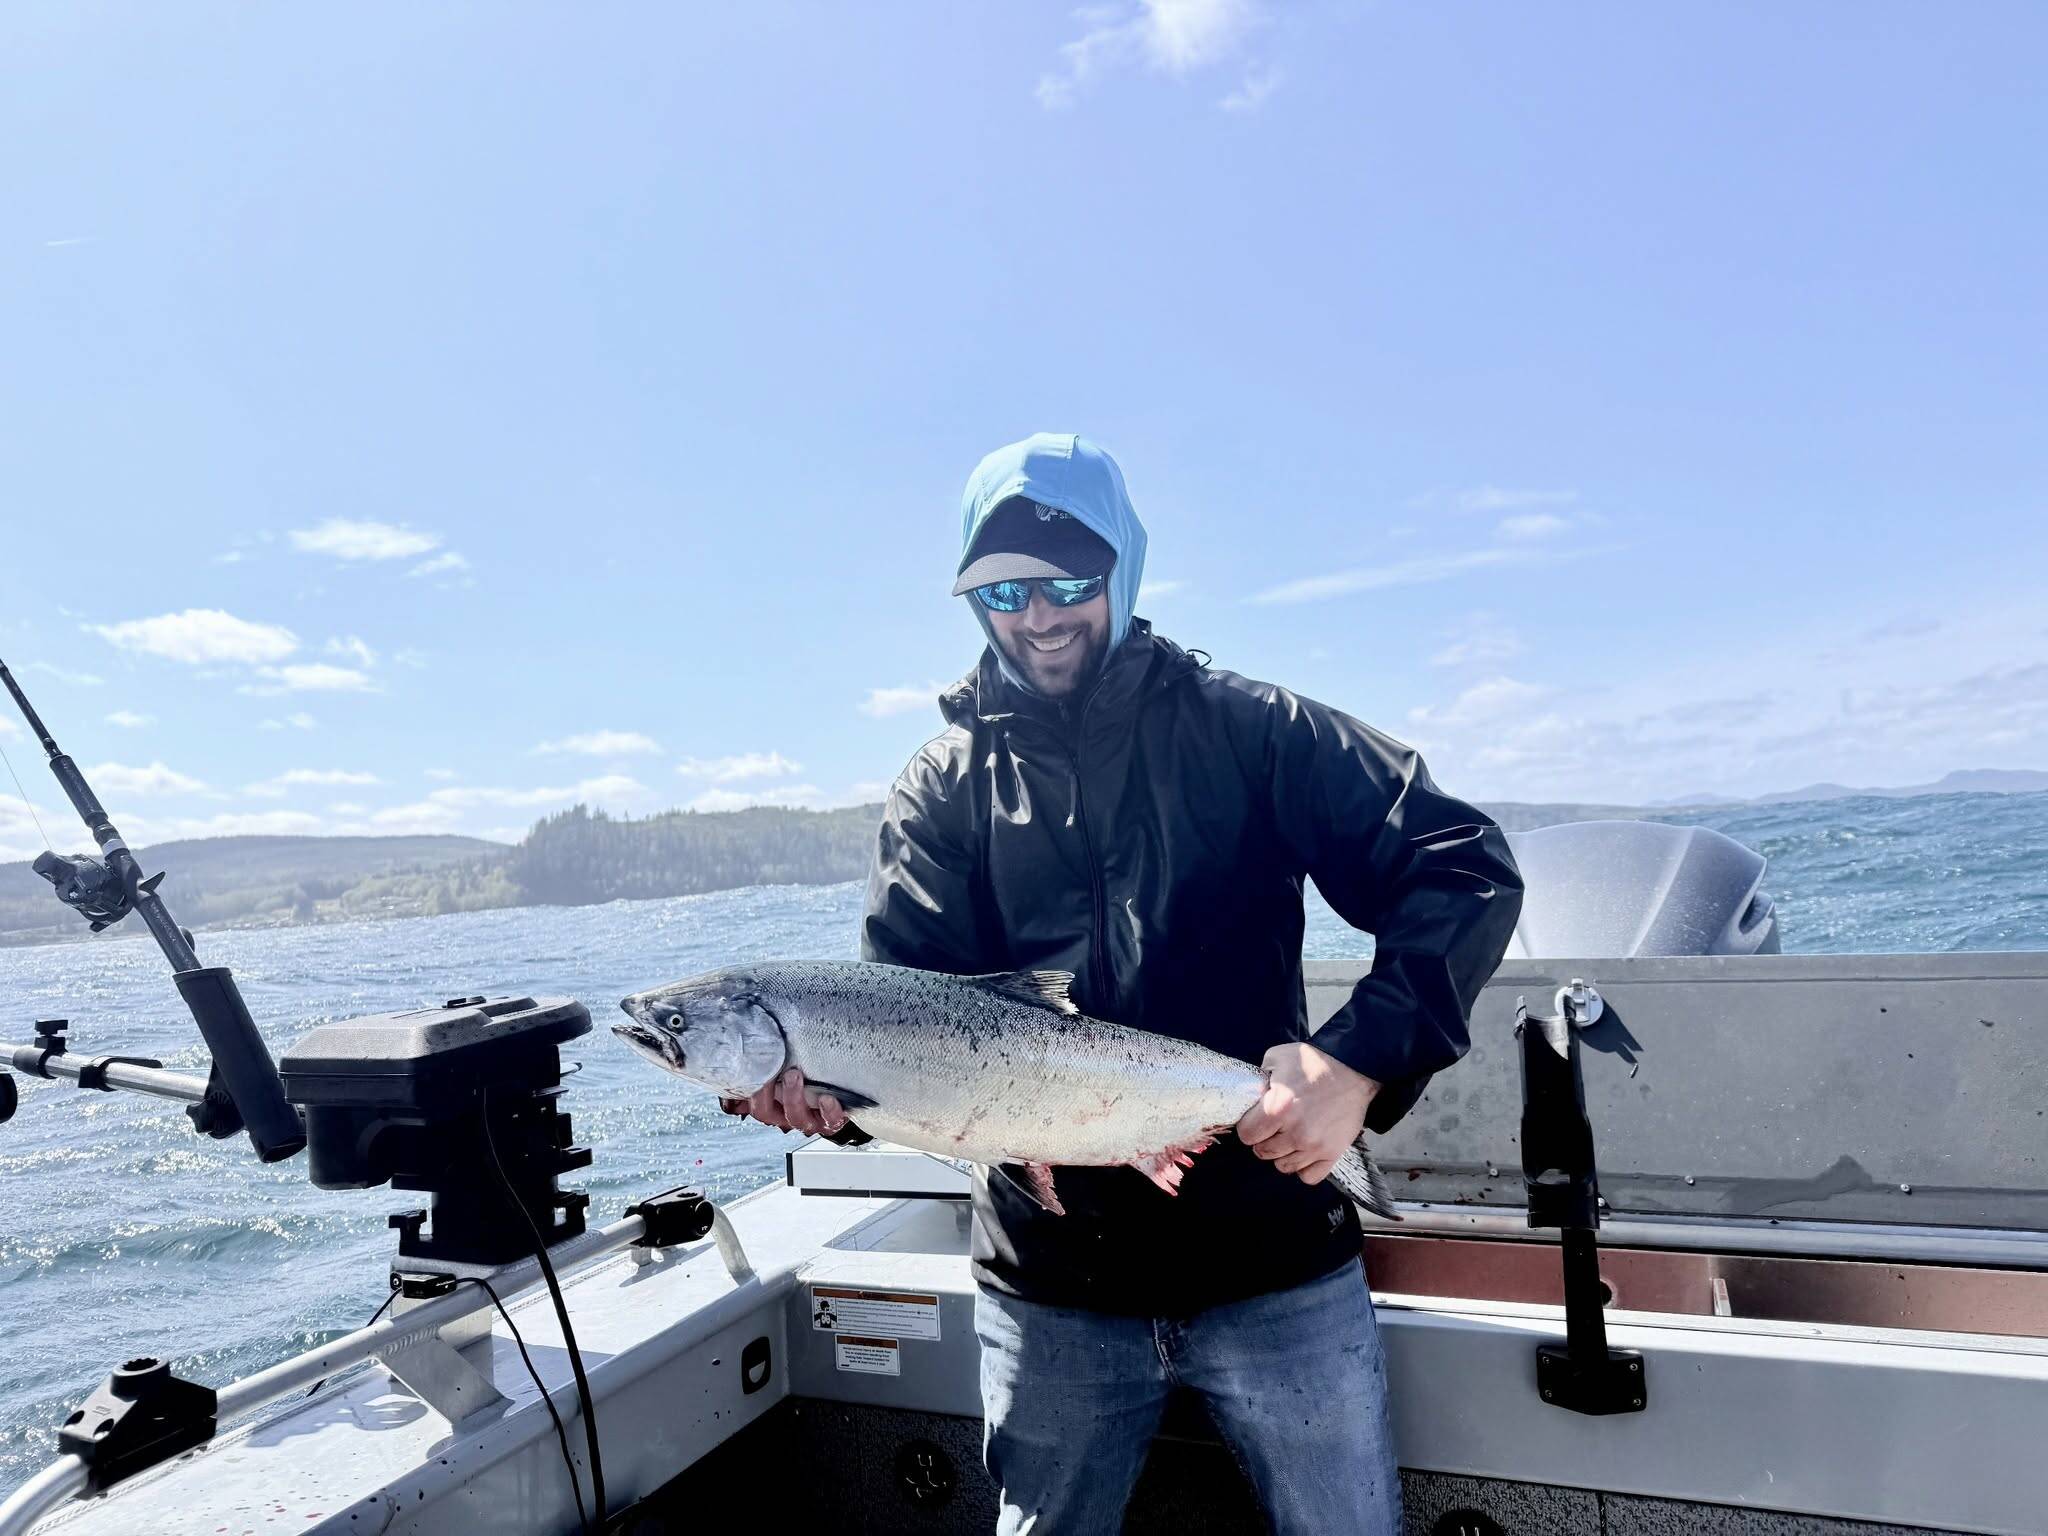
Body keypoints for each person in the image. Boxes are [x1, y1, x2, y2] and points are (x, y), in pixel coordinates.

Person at [730, 433, 1523, 1533]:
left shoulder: (1250, 730)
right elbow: (900, 1031)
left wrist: (1357, 1062)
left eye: (1068, 581)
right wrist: (834, 1110)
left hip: (1273, 1264)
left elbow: (1459, 867)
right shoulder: (940, 789)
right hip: (1052, 1290)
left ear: (1124, 569)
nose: (1038, 614)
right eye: (1003, 588)